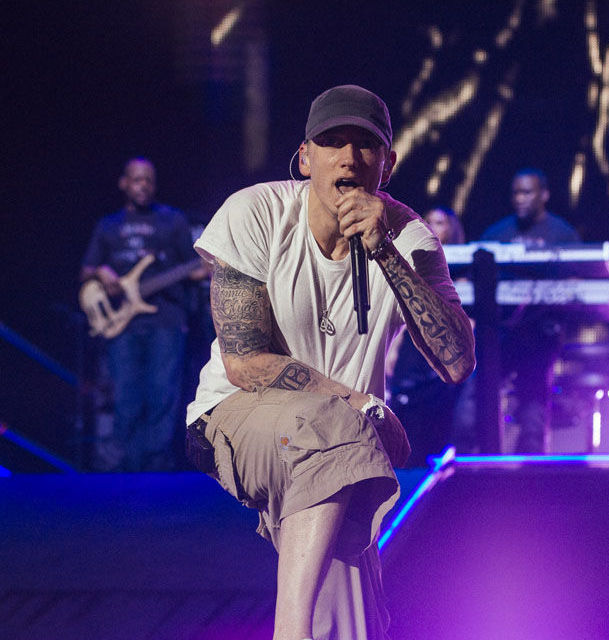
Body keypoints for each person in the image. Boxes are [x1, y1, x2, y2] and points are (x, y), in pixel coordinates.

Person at [185, 85, 475, 640]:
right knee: (333, 425)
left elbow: (457, 361)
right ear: (304, 157)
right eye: (332, 142)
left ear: (386, 164)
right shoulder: (256, 213)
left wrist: (386, 251)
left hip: (342, 448)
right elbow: (244, 363)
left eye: (365, 145)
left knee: (353, 623)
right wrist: (355, 400)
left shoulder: (411, 237)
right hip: (234, 415)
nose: (348, 158)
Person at [79, 158, 203, 472]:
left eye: (148, 180)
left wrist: (210, 270)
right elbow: (86, 272)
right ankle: (129, 466)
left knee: (163, 392)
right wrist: (102, 273)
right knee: (126, 395)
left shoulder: (172, 220)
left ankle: (157, 466)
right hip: (122, 321)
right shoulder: (108, 225)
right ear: (124, 183)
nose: (143, 185)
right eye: (136, 180)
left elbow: (194, 266)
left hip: (166, 319)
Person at [480, 169, 581, 453]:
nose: (520, 199)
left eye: (527, 192)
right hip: (497, 336)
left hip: (540, 336)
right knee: (475, 403)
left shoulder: (563, 234)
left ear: (544, 195)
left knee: (534, 410)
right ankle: (476, 471)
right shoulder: (496, 233)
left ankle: (530, 481)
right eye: (516, 193)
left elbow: (577, 284)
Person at [385, 207, 470, 464]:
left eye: (440, 223)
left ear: (452, 228)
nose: (433, 227)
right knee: (409, 412)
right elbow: (402, 308)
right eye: (429, 221)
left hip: (444, 350)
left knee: (440, 414)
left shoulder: (462, 270)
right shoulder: (414, 262)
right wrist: (392, 348)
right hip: (414, 345)